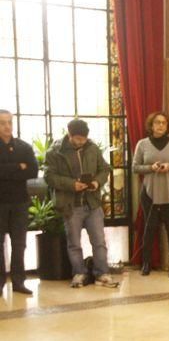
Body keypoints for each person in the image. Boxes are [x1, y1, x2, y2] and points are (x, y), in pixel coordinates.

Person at [44, 118, 118, 288]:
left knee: (99, 241)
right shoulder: (55, 152)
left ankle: (102, 274)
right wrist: (72, 185)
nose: (81, 142)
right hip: (71, 205)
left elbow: (104, 169)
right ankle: (79, 273)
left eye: (83, 139)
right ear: (69, 135)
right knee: (74, 243)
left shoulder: (92, 148)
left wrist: (96, 183)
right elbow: (49, 177)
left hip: (92, 203)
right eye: (77, 139)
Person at [132, 111, 169, 278]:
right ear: (151, 125)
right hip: (149, 192)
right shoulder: (142, 144)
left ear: (167, 126)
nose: (160, 125)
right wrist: (150, 168)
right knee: (150, 228)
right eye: (157, 122)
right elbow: (135, 168)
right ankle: (146, 263)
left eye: (163, 123)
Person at [0, 109, 39, 295]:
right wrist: (17, 167)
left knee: (19, 243)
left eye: (9, 122)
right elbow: (22, 169)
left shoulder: (24, 147)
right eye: (2, 123)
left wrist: (6, 170)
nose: (7, 126)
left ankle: (18, 282)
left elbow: (32, 171)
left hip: (19, 202)